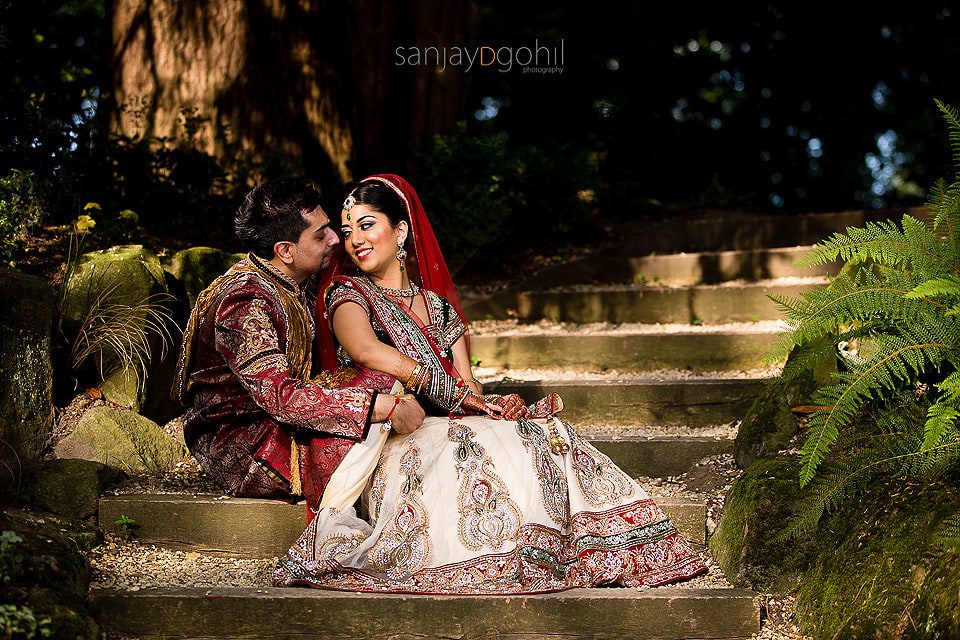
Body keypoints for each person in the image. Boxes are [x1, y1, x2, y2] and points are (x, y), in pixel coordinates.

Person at [273, 174, 707, 594]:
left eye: (367, 226)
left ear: (401, 231)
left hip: (446, 421)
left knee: (539, 432)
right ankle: (497, 554)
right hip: (394, 432)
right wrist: (450, 392)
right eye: (347, 232)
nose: (355, 240)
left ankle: (567, 546)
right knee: (472, 446)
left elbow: (468, 386)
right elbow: (367, 351)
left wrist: (488, 404)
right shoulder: (349, 295)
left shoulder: (440, 309)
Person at [172, 178, 425, 509]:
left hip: (281, 414)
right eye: (321, 235)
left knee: (383, 382)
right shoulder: (243, 302)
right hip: (247, 442)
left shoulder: (294, 279)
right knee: (382, 394)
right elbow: (283, 397)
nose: (336, 239)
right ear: (285, 251)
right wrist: (380, 407)